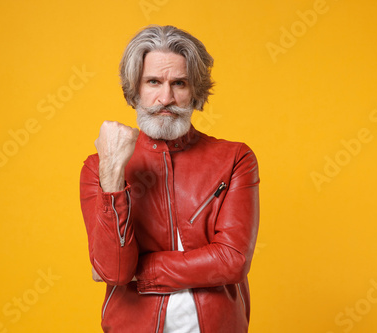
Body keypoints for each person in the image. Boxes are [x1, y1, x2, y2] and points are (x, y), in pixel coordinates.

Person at [80, 24, 260, 333]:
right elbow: (114, 270)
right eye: (153, 81)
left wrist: (143, 271)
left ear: (195, 92)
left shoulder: (234, 158)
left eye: (179, 83)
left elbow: (232, 260)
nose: (166, 97)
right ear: (135, 88)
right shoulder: (99, 166)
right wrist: (112, 173)